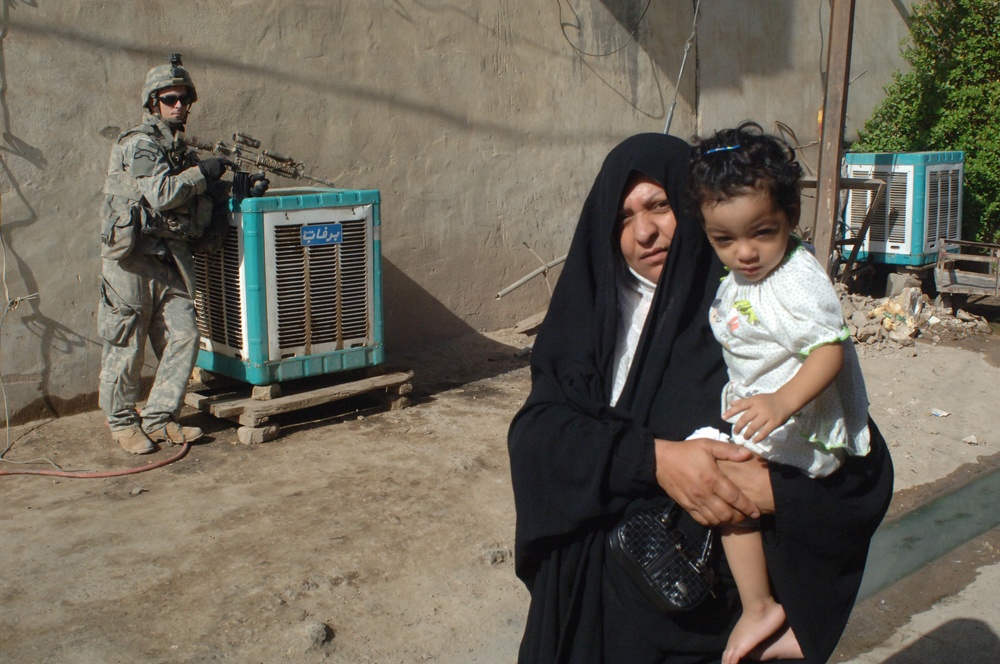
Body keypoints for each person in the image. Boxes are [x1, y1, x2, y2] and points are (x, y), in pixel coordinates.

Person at [507, 132, 893, 663]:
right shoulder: (585, 321)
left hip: (695, 622)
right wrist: (656, 460)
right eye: (624, 216)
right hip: (583, 614)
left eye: (659, 205)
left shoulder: (750, 318)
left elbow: (861, 467)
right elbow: (537, 440)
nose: (644, 231)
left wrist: (769, 491)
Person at [687, 122, 873, 664]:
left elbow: (829, 350)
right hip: (765, 418)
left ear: (790, 218)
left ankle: (768, 608)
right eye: (724, 240)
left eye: (761, 232)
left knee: (722, 485)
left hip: (798, 423)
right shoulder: (744, 277)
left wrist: (780, 402)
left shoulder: (795, 277)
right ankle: (765, 607)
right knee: (715, 479)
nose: (745, 252)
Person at [98, 54, 231, 454]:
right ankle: (122, 423)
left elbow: (194, 203)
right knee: (127, 344)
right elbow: (160, 193)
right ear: (153, 102)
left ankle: (159, 419)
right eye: (169, 98)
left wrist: (230, 187)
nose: (178, 106)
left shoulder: (179, 150)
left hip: (169, 258)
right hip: (132, 260)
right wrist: (202, 174)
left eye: (183, 99)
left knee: (185, 334)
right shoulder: (139, 144)